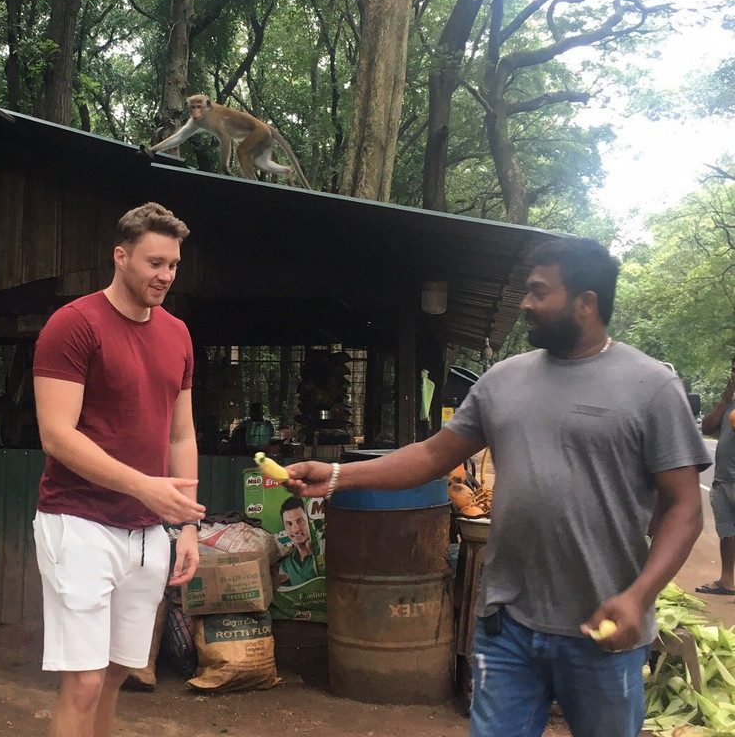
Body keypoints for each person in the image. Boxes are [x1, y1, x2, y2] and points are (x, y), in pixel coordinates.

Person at [286, 237, 708, 737]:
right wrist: (337, 476)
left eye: (538, 292)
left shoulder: (652, 387)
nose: (526, 304)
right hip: (506, 626)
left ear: (585, 303)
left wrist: (640, 596)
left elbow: (685, 508)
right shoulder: (502, 381)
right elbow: (429, 456)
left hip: (603, 629)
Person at [32, 202, 206, 737]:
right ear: (121, 256)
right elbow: (56, 435)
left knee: (115, 674)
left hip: (148, 531)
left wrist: (189, 527)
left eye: (173, 265)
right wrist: (144, 488)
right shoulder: (74, 325)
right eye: (155, 263)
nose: (166, 276)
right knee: (82, 682)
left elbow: (182, 434)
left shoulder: (177, 334)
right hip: (79, 521)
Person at [696, 355, 735, 595]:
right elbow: (708, 428)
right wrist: (725, 398)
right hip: (723, 479)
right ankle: (727, 581)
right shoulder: (729, 402)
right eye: (733, 367)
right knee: (727, 531)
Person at [278, 496, 321, 585]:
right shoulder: (286, 563)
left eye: (300, 521)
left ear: (309, 520)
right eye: (289, 524)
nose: (295, 530)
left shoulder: (322, 551)